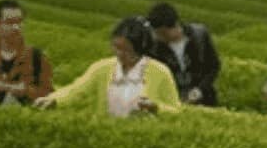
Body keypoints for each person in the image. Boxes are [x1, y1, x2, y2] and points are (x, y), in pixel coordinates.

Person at [34, 17, 182, 117]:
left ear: (139, 49)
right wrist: (54, 100)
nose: (119, 53)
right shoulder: (102, 68)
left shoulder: (160, 72)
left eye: (125, 50)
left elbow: (176, 111)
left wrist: (156, 108)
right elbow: (77, 89)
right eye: (116, 47)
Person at [144, 1, 221, 106]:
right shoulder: (153, 47)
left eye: (163, 33)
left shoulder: (199, 36)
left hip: (205, 99)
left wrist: (199, 90)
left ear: (175, 25)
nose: (159, 37)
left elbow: (213, 66)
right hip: (173, 102)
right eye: (156, 33)